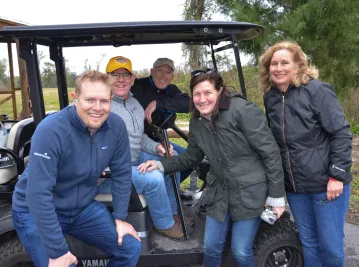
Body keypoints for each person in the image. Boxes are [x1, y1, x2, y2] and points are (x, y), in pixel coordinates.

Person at [137, 69, 286, 267]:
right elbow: (191, 157)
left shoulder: (242, 110)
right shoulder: (197, 120)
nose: (202, 99)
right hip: (220, 193)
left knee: (241, 252)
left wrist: (276, 196)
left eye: (207, 93)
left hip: (250, 192)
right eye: (197, 94)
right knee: (211, 248)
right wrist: (159, 164)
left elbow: (271, 153)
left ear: (219, 91)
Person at [11, 71, 141, 267]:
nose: (97, 108)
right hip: (36, 210)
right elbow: (38, 193)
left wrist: (120, 218)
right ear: (75, 99)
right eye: (90, 100)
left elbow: (122, 172)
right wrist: (58, 251)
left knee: (129, 247)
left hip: (81, 208)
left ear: (111, 101)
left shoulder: (116, 126)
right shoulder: (51, 130)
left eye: (104, 101)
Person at [260, 41, 352, 267]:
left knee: (330, 246)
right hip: (296, 187)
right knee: (309, 242)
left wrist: (337, 176)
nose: (278, 68)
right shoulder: (270, 97)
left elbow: (341, 133)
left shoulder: (316, 90)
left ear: (298, 65)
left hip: (325, 185)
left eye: (285, 63)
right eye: (274, 63)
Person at [98, 56, 194, 240]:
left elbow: (139, 137)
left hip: (132, 159)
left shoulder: (134, 104)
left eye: (125, 75)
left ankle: (172, 213)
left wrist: (157, 148)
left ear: (132, 79)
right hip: (110, 173)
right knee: (154, 178)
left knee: (169, 162)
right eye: (115, 75)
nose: (120, 79)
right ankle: (164, 224)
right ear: (107, 78)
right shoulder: (102, 105)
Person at [131, 58, 193, 194]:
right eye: (160, 71)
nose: (163, 75)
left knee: (188, 160)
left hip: (158, 139)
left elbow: (189, 103)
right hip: (138, 142)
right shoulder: (137, 86)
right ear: (151, 71)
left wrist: (158, 103)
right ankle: (171, 206)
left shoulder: (171, 90)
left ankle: (167, 190)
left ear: (172, 76)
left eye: (168, 72)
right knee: (172, 158)